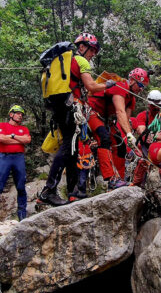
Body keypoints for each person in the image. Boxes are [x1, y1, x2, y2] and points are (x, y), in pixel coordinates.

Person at [39, 32, 114, 206]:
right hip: (70, 108)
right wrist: (107, 85)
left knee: (72, 150)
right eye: (92, 49)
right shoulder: (80, 61)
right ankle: (48, 190)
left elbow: (82, 88)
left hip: (61, 106)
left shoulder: (67, 63)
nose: (93, 54)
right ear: (82, 47)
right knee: (67, 147)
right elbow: (91, 86)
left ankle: (73, 192)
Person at [87, 67, 149, 190]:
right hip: (92, 112)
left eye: (143, 87)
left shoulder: (131, 98)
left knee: (120, 146)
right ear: (132, 81)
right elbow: (120, 111)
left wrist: (129, 136)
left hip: (105, 119)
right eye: (140, 85)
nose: (141, 89)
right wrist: (130, 135)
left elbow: (125, 119)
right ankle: (111, 179)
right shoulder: (120, 88)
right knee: (104, 138)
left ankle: (119, 179)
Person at [132, 90, 161, 208]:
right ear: (149, 104)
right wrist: (152, 136)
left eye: (158, 106)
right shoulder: (143, 116)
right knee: (142, 164)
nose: (157, 108)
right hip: (144, 148)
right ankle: (134, 191)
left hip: (159, 148)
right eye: (154, 106)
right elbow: (141, 131)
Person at [0, 105, 31, 221]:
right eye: (18, 113)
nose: (20, 116)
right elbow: (1, 139)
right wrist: (18, 139)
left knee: (21, 186)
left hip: (19, 157)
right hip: (4, 157)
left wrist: (12, 137)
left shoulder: (24, 128)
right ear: (11, 114)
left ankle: (22, 217)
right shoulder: (3, 125)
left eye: (22, 114)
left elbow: (27, 140)